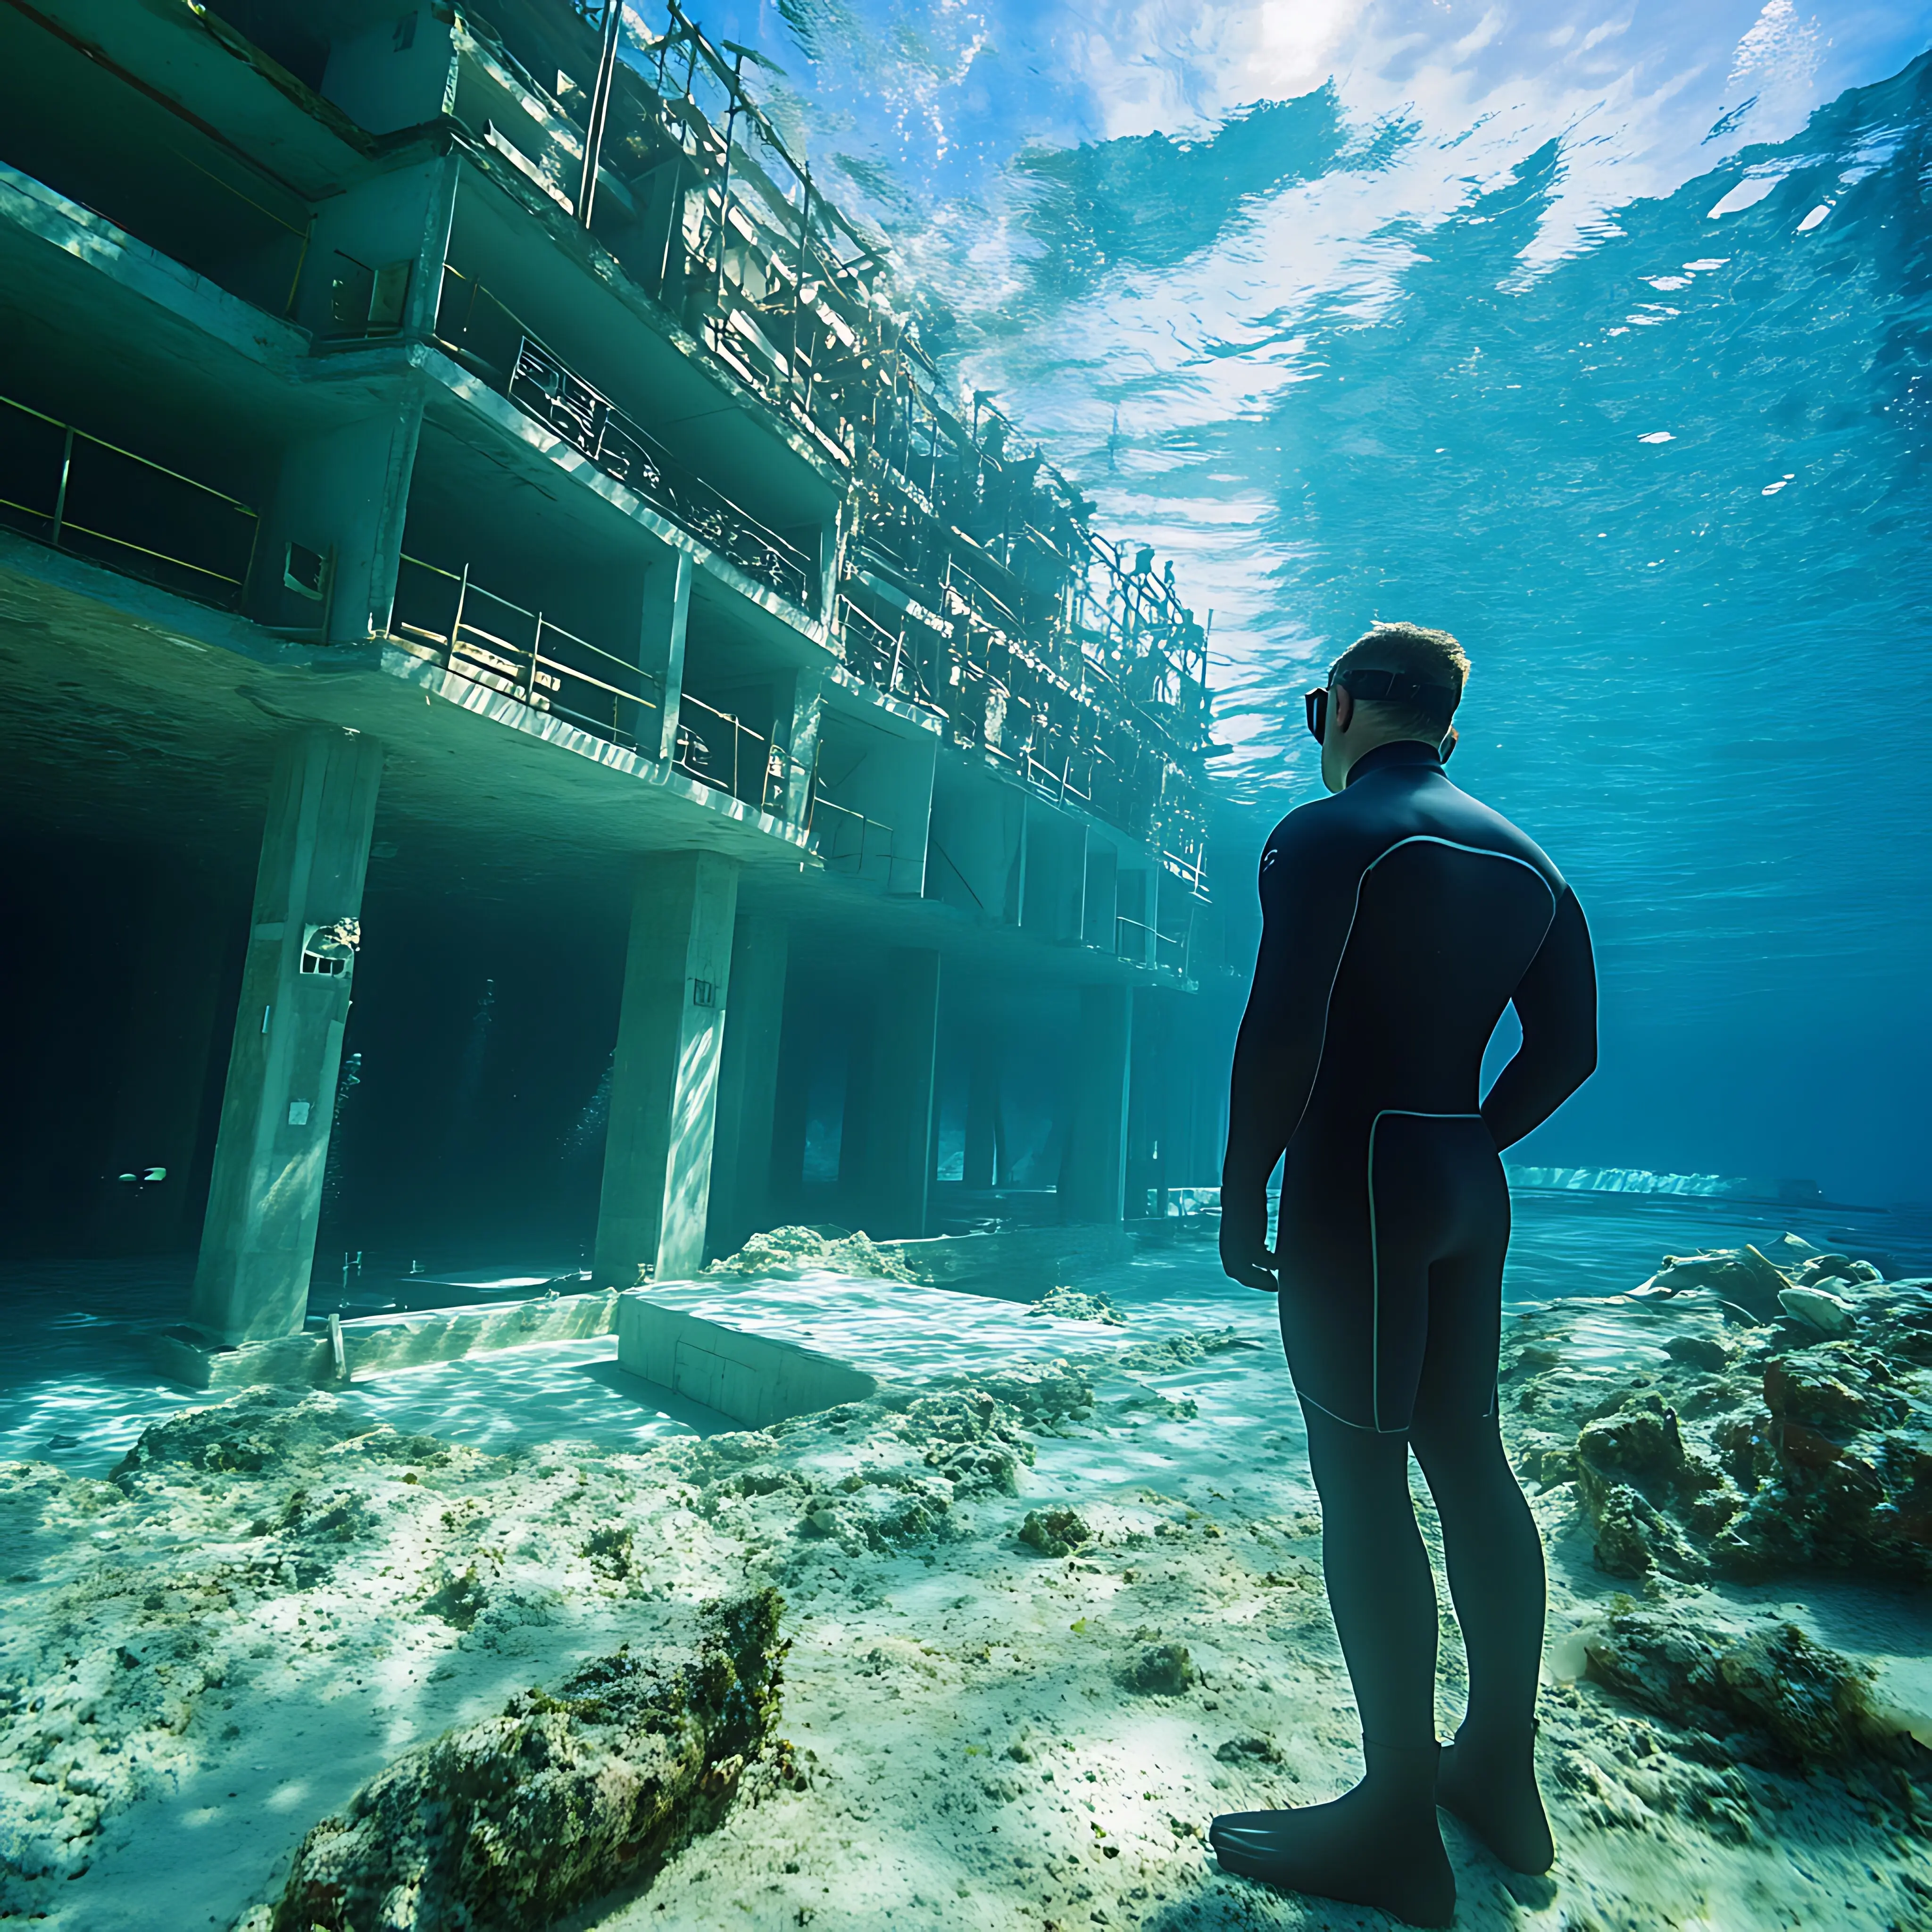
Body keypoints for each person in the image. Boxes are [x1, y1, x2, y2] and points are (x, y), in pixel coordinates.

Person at [1210, 623, 1598, 1929]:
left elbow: (1283, 1030)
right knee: (1471, 1459)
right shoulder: (1534, 864)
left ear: (1354, 707)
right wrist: (1462, 1144)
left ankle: (1390, 1819)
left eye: (1315, 703)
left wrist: (1240, 1183)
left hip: (1350, 1187)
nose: (1312, 727)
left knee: (1362, 1480)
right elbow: (1569, 1053)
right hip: (1462, 1186)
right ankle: (1496, 1770)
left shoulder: (1319, 839)